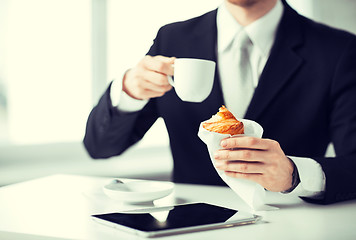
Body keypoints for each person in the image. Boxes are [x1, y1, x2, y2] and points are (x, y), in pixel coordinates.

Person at [84, 0, 356, 204]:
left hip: (292, 224)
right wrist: (129, 91)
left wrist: (294, 174)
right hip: (189, 225)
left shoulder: (338, 50)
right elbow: (100, 147)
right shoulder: (172, 38)